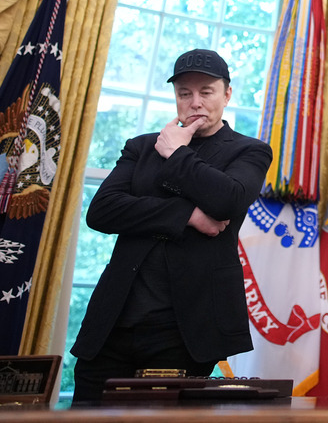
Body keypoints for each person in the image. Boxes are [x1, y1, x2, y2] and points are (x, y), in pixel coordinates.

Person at [70, 49, 273, 402]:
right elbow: (102, 211)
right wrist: (189, 215)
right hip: (113, 322)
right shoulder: (142, 146)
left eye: (206, 92)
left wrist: (178, 154)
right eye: (184, 93)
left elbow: (227, 200)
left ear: (227, 94)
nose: (195, 102)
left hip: (186, 328)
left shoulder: (249, 151)